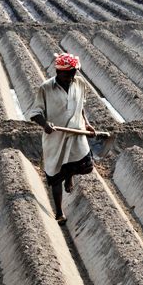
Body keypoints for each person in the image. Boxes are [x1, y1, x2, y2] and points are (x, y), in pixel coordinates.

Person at [27, 52, 95, 225]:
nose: (72, 77)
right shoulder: (46, 88)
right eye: (69, 74)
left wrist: (86, 124)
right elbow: (35, 113)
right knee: (55, 174)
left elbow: (81, 106)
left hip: (76, 133)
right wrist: (45, 125)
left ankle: (70, 175)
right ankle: (59, 212)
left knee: (86, 166)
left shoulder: (79, 83)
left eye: (74, 73)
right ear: (58, 72)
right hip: (56, 136)